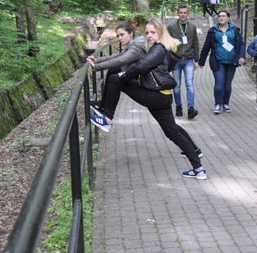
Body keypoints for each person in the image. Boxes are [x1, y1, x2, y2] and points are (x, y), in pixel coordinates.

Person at [89, 18, 207, 180]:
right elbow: (133, 61)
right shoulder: (160, 47)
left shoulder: (158, 49)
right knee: (171, 131)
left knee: (116, 79)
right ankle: (198, 167)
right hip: (162, 95)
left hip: (156, 96)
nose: (149, 35)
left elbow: (141, 65)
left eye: (153, 32)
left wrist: (126, 74)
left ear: (160, 33)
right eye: (147, 33)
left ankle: (107, 118)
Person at [87, 22, 146, 115]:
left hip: (138, 78)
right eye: (118, 35)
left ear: (131, 34)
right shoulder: (133, 44)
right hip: (133, 72)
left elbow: (121, 60)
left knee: (113, 78)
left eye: (122, 35)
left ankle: (107, 114)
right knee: (112, 71)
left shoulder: (136, 47)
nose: (119, 38)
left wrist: (97, 67)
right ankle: (103, 105)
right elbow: (118, 56)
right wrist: (97, 60)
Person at [198, 9, 245, 114]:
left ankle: (226, 104)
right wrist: (201, 61)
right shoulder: (213, 30)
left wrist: (241, 56)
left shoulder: (234, 30)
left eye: (224, 16)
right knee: (219, 83)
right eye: (220, 16)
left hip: (231, 61)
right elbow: (206, 46)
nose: (221, 18)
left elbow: (241, 45)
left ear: (228, 18)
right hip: (217, 60)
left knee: (227, 84)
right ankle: (218, 104)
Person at [166, 5, 200, 120]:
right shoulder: (171, 27)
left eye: (185, 12)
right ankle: (178, 106)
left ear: (188, 14)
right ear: (178, 13)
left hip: (189, 59)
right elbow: (167, 43)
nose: (183, 14)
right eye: (181, 12)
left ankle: (191, 108)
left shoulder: (192, 27)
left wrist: (197, 60)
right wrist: (169, 59)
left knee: (190, 84)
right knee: (176, 85)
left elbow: (195, 43)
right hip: (176, 60)